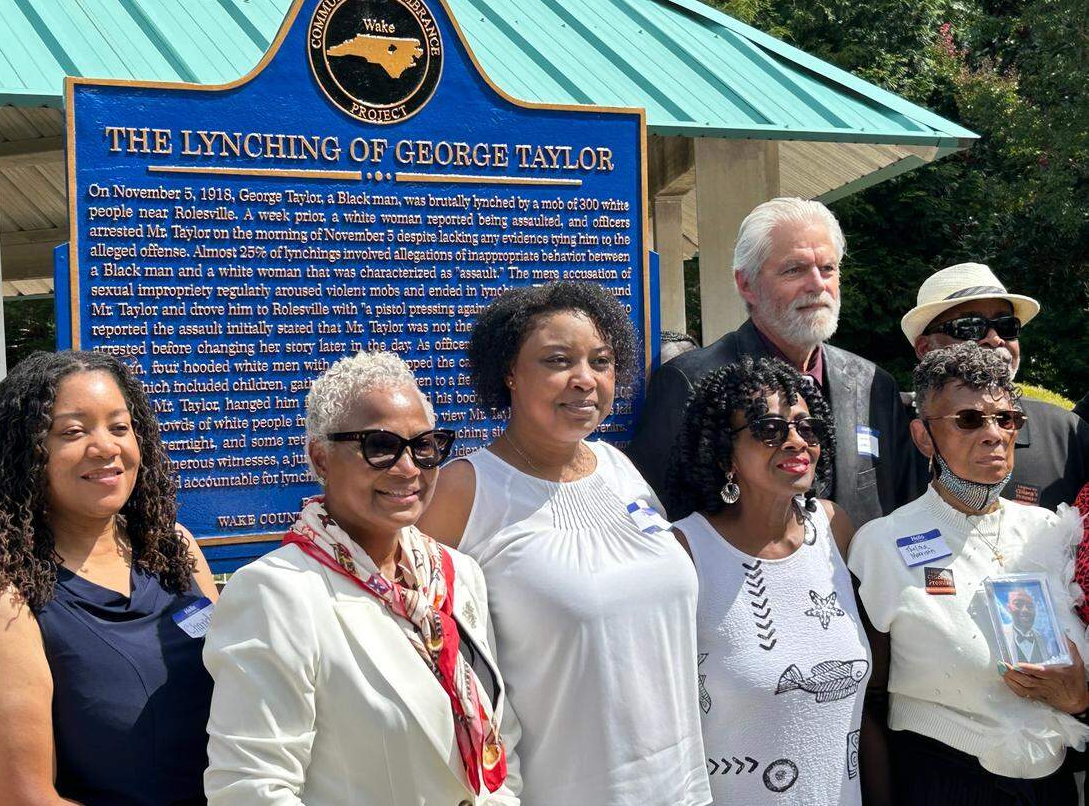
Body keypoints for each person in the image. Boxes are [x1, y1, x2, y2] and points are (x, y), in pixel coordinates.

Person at [421, 281, 712, 806]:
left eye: (601, 361)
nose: (585, 380)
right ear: (509, 372)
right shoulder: (464, 492)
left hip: (680, 786)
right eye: (558, 361)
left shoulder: (621, 469)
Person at [204, 351, 520, 805]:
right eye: (379, 446)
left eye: (424, 445)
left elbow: (500, 737)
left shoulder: (456, 573)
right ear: (322, 457)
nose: (409, 468)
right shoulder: (276, 593)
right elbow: (250, 790)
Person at [0, 350, 217, 805]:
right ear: (27, 452)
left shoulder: (176, 548)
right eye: (73, 431)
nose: (106, 447)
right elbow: (21, 799)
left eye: (119, 426)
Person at [849, 343, 1089, 804]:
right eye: (969, 420)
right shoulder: (881, 543)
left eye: (1007, 419)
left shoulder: (1051, 531)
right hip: (944, 780)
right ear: (923, 438)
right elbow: (867, 702)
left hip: (1051, 785)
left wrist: (1081, 699)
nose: (994, 434)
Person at [629, 197, 919, 527]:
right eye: (794, 269)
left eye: (827, 268)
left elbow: (904, 511)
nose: (817, 284)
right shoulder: (690, 383)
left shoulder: (872, 384)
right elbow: (656, 514)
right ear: (746, 284)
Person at [668, 356, 876, 805]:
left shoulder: (834, 528)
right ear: (725, 453)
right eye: (770, 429)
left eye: (807, 426)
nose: (796, 441)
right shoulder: (685, 551)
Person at [903, 262, 1089, 510]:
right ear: (925, 348)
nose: (994, 338)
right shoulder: (891, 425)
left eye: (1006, 326)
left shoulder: (1067, 432)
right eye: (970, 326)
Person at [1003, 588, 1061, 664]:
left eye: (1030, 606)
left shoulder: (1041, 638)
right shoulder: (1001, 633)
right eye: (1018, 604)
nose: (1025, 610)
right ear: (1008, 608)